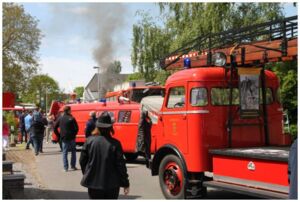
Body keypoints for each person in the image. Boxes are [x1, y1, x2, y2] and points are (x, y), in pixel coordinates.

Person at [80, 111, 130, 199]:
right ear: (110, 127)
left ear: (97, 126)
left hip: (93, 183)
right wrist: (125, 183)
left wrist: (87, 173)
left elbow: (82, 161)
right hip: (112, 185)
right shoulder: (115, 143)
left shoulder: (89, 141)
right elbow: (121, 165)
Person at [54, 106, 79, 172]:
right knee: (73, 152)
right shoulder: (72, 118)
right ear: (68, 111)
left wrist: (59, 135)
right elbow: (77, 128)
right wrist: (74, 134)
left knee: (65, 152)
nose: (71, 111)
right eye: (70, 110)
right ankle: (73, 166)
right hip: (72, 138)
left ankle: (66, 168)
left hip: (64, 138)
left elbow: (55, 128)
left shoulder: (60, 118)